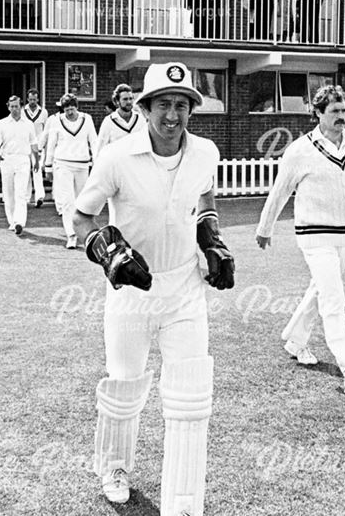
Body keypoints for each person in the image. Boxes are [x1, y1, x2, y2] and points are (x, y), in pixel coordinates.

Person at [72, 61, 234, 515]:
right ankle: (114, 467)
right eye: (164, 104)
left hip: (185, 288)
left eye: (182, 105)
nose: (173, 115)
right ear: (145, 108)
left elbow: (205, 197)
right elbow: (82, 216)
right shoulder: (117, 156)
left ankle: (183, 502)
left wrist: (211, 238)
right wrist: (108, 249)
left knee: (190, 396)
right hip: (132, 291)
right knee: (125, 386)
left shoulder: (205, 153)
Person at [255, 85, 345, 395]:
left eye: (344, 111)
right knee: (334, 297)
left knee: (320, 291)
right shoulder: (300, 149)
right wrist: (265, 227)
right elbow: (280, 190)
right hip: (313, 235)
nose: (341, 116)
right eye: (334, 111)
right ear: (318, 113)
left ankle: (296, 340)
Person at [44, 93, 98, 249]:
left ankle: (83, 232)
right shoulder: (56, 121)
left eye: (72, 109)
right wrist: (48, 166)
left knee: (82, 201)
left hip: (82, 165)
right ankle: (71, 235)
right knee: (67, 201)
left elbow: (93, 141)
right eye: (66, 110)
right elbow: (51, 144)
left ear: (77, 108)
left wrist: (97, 161)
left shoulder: (86, 119)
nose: (69, 113)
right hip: (63, 164)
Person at [0, 95, 40, 236]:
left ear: (21, 107)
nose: (14, 109)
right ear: (8, 107)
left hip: (23, 160)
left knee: (21, 193)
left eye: (17, 106)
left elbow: (33, 143)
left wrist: (36, 160)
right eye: (11, 106)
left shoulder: (28, 124)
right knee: (9, 193)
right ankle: (12, 221)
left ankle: (20, 222)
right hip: (7, 159)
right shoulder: (2, 123)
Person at [97, 84, 144, 152]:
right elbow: (100, 149)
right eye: (125, 99)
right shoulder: (108, 121)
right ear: (117, 101)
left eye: (131, 98)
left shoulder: (141, 119)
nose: (129, 102)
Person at [22, 88, 48, 207]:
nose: (33, 101)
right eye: (30, 99)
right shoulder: (22, 111)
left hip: (38, 146)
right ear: (27, 99)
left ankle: (39, 196)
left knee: (37, 171)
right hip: (25, 145)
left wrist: (43, 144)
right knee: (26, 171)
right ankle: (26, 198)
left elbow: (46, 130)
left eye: (35, 99)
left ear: (38, 99)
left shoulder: (43, 112)